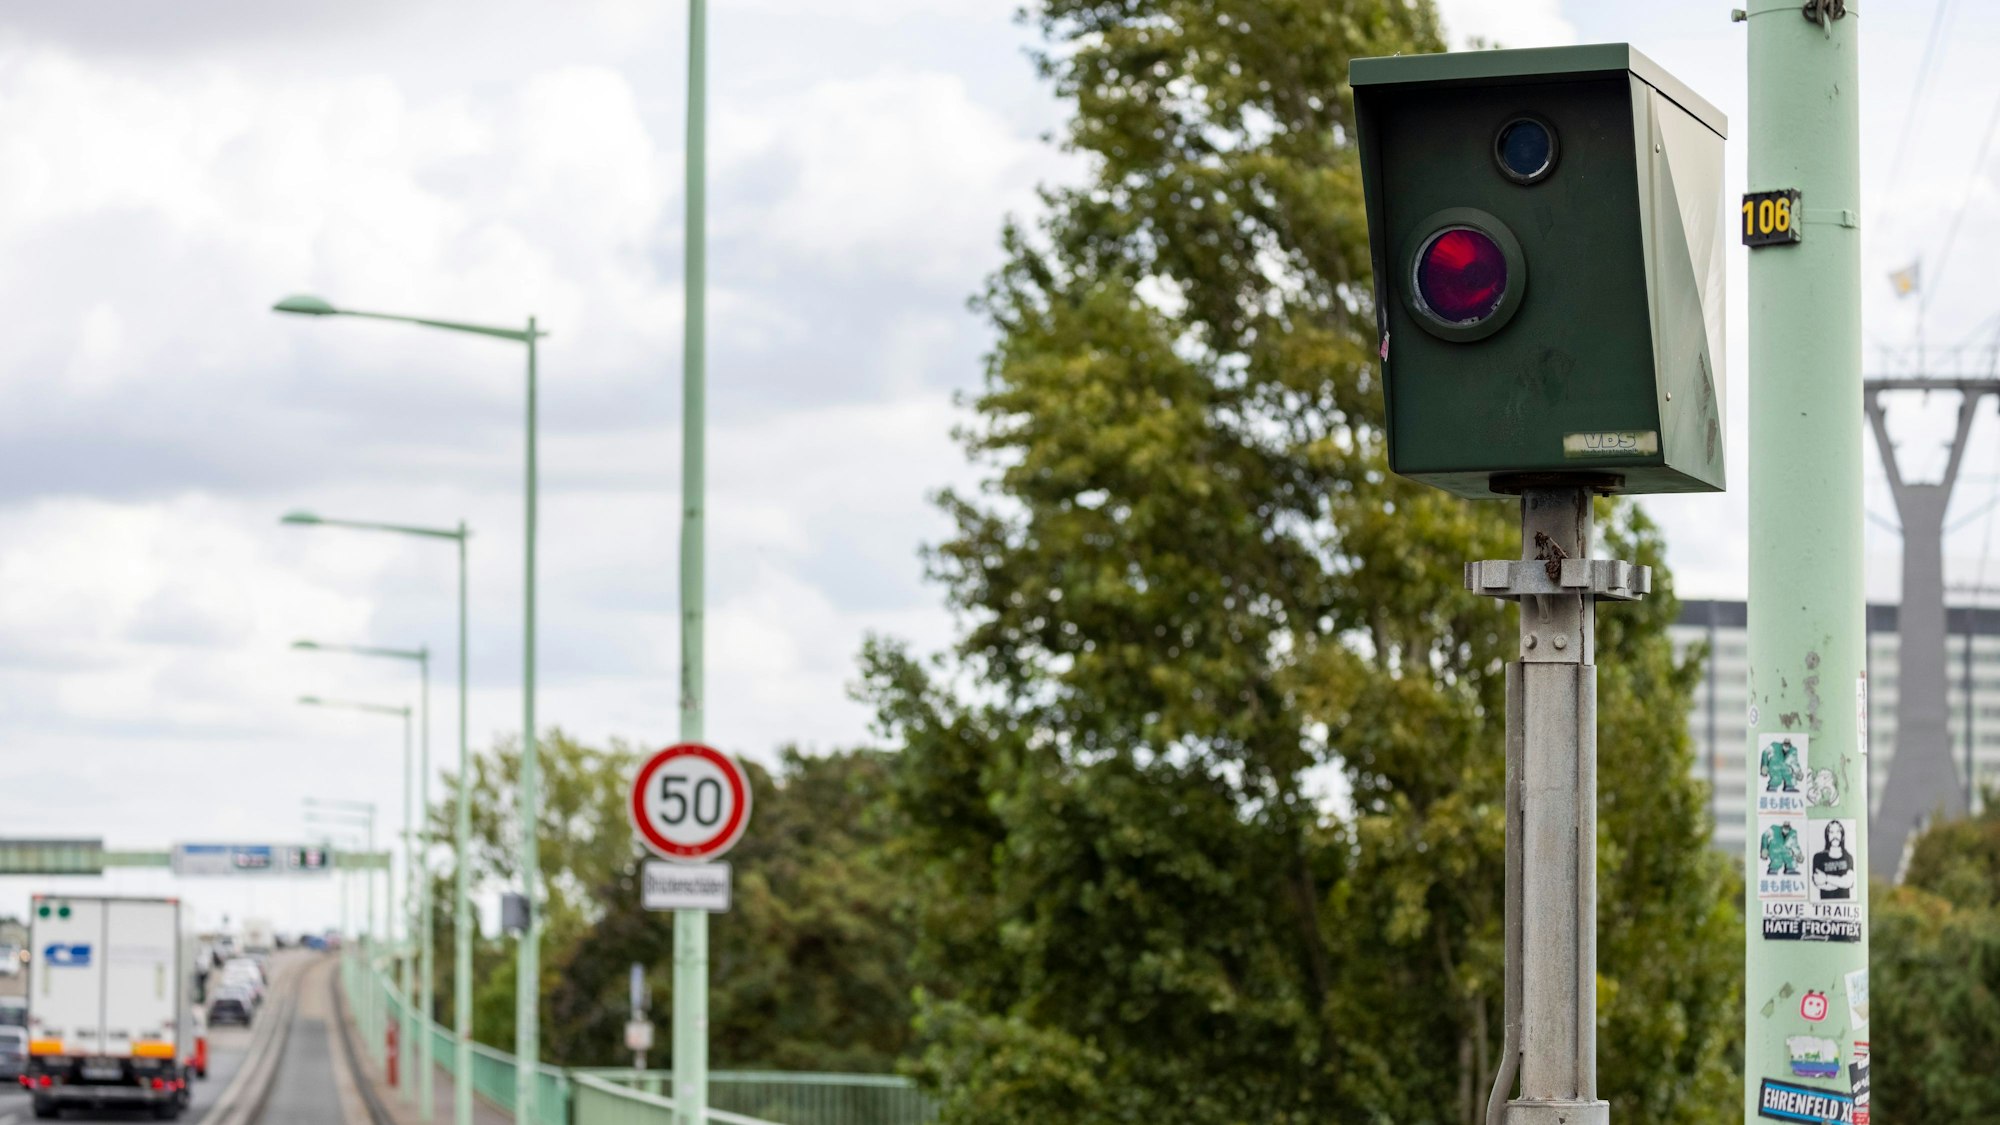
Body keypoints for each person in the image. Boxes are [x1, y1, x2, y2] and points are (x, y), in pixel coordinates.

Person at [1811, 820, 1855, 901]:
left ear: (1842, 835)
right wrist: (1840, 882)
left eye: (1838, 832)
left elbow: (1849, 882)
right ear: (1827, 835)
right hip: (1823, 906)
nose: (1835, 836)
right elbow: (1818, 882)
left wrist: (1826, 878)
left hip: (1844, 907)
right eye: (1831, 832)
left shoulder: (1848, 857)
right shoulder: (1818, 857)